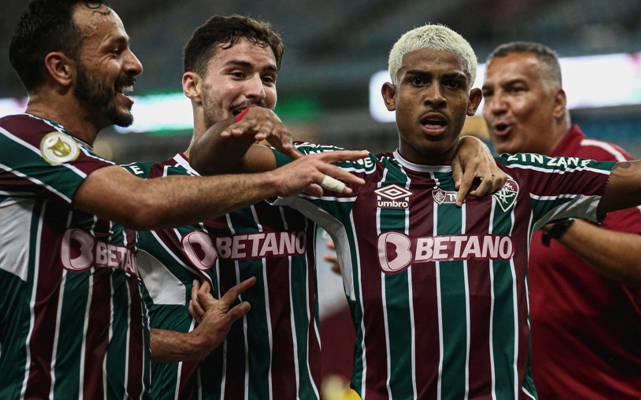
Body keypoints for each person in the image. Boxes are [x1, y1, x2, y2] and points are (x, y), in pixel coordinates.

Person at [189, 24, 641, 399]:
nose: (435, 95)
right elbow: (213, 160)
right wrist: (246, 121)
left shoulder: (519, 181)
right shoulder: (351, 178)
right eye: (419, 82)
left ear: (470, 99)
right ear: (389, 96)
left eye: (452, 84)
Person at [0, 1, 368, 398]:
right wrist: (276, 180)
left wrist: (190, 344)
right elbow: (143, 204)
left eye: (268, 76)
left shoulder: (100, 199)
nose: (136, 64)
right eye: (115, 50)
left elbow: (101, 329)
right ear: (60, 68)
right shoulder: (22, 139)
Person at [127, 15, 504, 399]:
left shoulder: (304, 179)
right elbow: (85, 327)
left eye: (268, 78)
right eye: (238, 74)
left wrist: (469, 145)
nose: (256, 89)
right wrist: (184, 344)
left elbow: (405, 168)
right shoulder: (136, 189)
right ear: (192, 85)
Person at [481, 41, 641, 399]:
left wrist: (558, 218)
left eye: (515, 89)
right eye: (489, 94)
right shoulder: (496, 187)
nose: (496, 107)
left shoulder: (599, 165)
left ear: (557, 102)